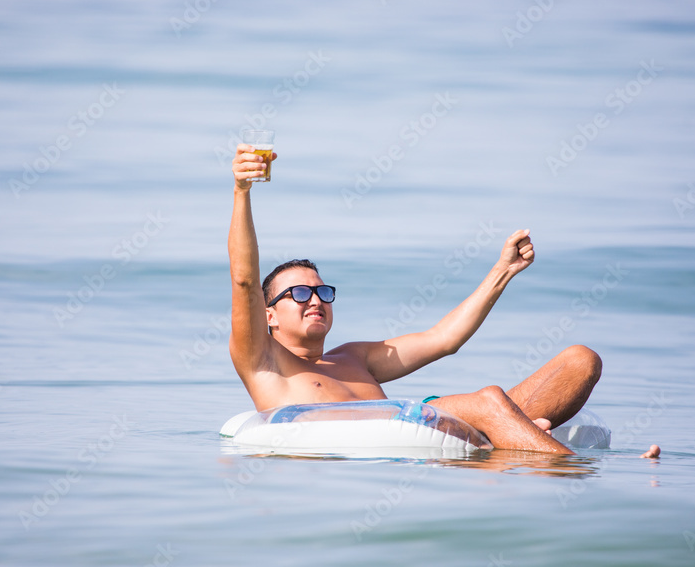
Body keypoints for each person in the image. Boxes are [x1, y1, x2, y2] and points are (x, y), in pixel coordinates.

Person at [228, 144, 660, 458]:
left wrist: (503, 271)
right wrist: (242, 192)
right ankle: (568, 470)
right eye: (299, 294)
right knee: (489, 399)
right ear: (269, 315)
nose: (315, 300)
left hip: (431, 424)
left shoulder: (354, 357)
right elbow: (245, 280)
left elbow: (445, 337)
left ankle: (516, 440)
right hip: (410, 428)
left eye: (323, 292)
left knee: (580, 360)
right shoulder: (262, 359)